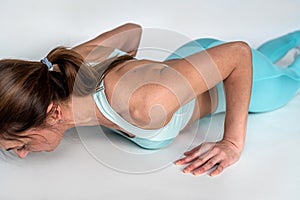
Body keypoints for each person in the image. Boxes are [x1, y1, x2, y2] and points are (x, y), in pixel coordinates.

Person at [0, 23, 300, 177]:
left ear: (53, 113)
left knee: (290, 78)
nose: (24, 154)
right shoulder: (69, 69)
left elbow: (238, 54)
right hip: (193, 56)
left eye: (21, 145)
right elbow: (132, 31)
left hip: (239, 80)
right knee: (267, 57)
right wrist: (143, 72)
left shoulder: (142, 104)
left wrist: (231, 144)